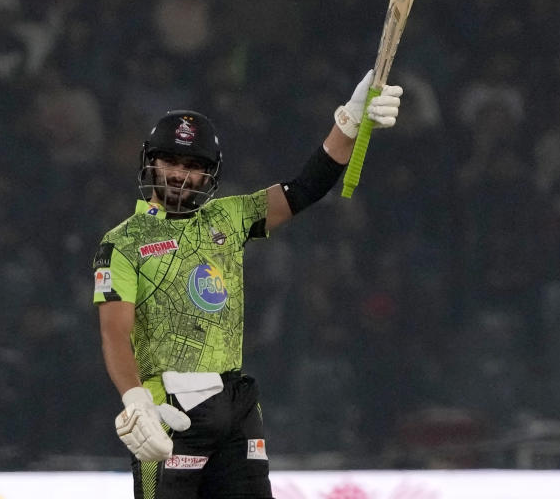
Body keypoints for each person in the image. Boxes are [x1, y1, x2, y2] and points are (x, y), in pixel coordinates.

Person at [92, 69, 403, 498]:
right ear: (150, 162)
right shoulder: (123, 242)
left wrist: (350, 120)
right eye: (172, 161)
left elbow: (306, 187)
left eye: (194, 166)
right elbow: (115, 335)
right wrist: (135, 400)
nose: (181, 175)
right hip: (168, 409)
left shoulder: (230, 216)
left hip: (234, 404)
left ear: (211, 174)